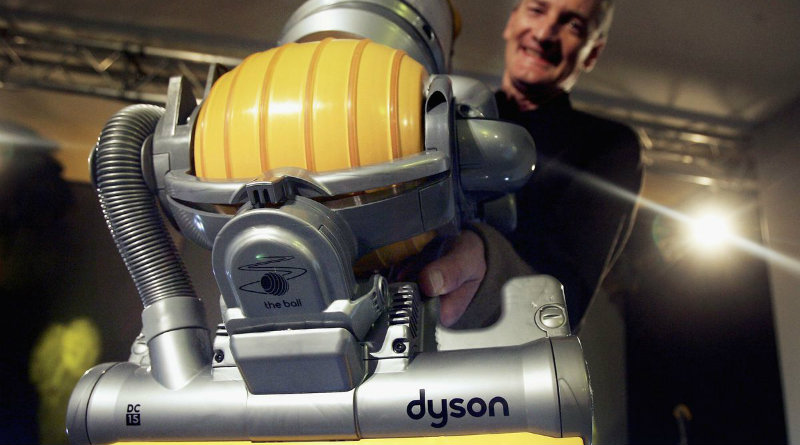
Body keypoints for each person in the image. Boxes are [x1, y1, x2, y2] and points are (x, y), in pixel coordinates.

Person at [417, 0, 643, 331]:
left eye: (573, 25)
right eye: (537, 10)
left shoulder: (609, 144)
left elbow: (567, 297)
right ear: (512, 21)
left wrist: (488, 261)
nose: (544, 33)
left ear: (592, 52)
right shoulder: (444, 114)